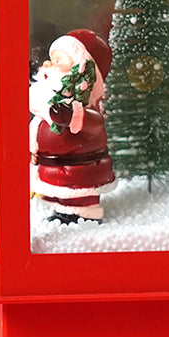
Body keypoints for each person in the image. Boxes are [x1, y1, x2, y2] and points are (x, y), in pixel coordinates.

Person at [29, 29, 116, 223]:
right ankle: (60, 209)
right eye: (50, 59)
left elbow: (94, 125)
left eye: (58, 61)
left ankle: (82, 215)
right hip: (53, 166)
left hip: (78, 169)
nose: (47, 64)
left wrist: (71, 115)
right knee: (57, 193)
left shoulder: (83, 108)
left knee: (78, 196)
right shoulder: (46, 97)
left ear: (80, 70)